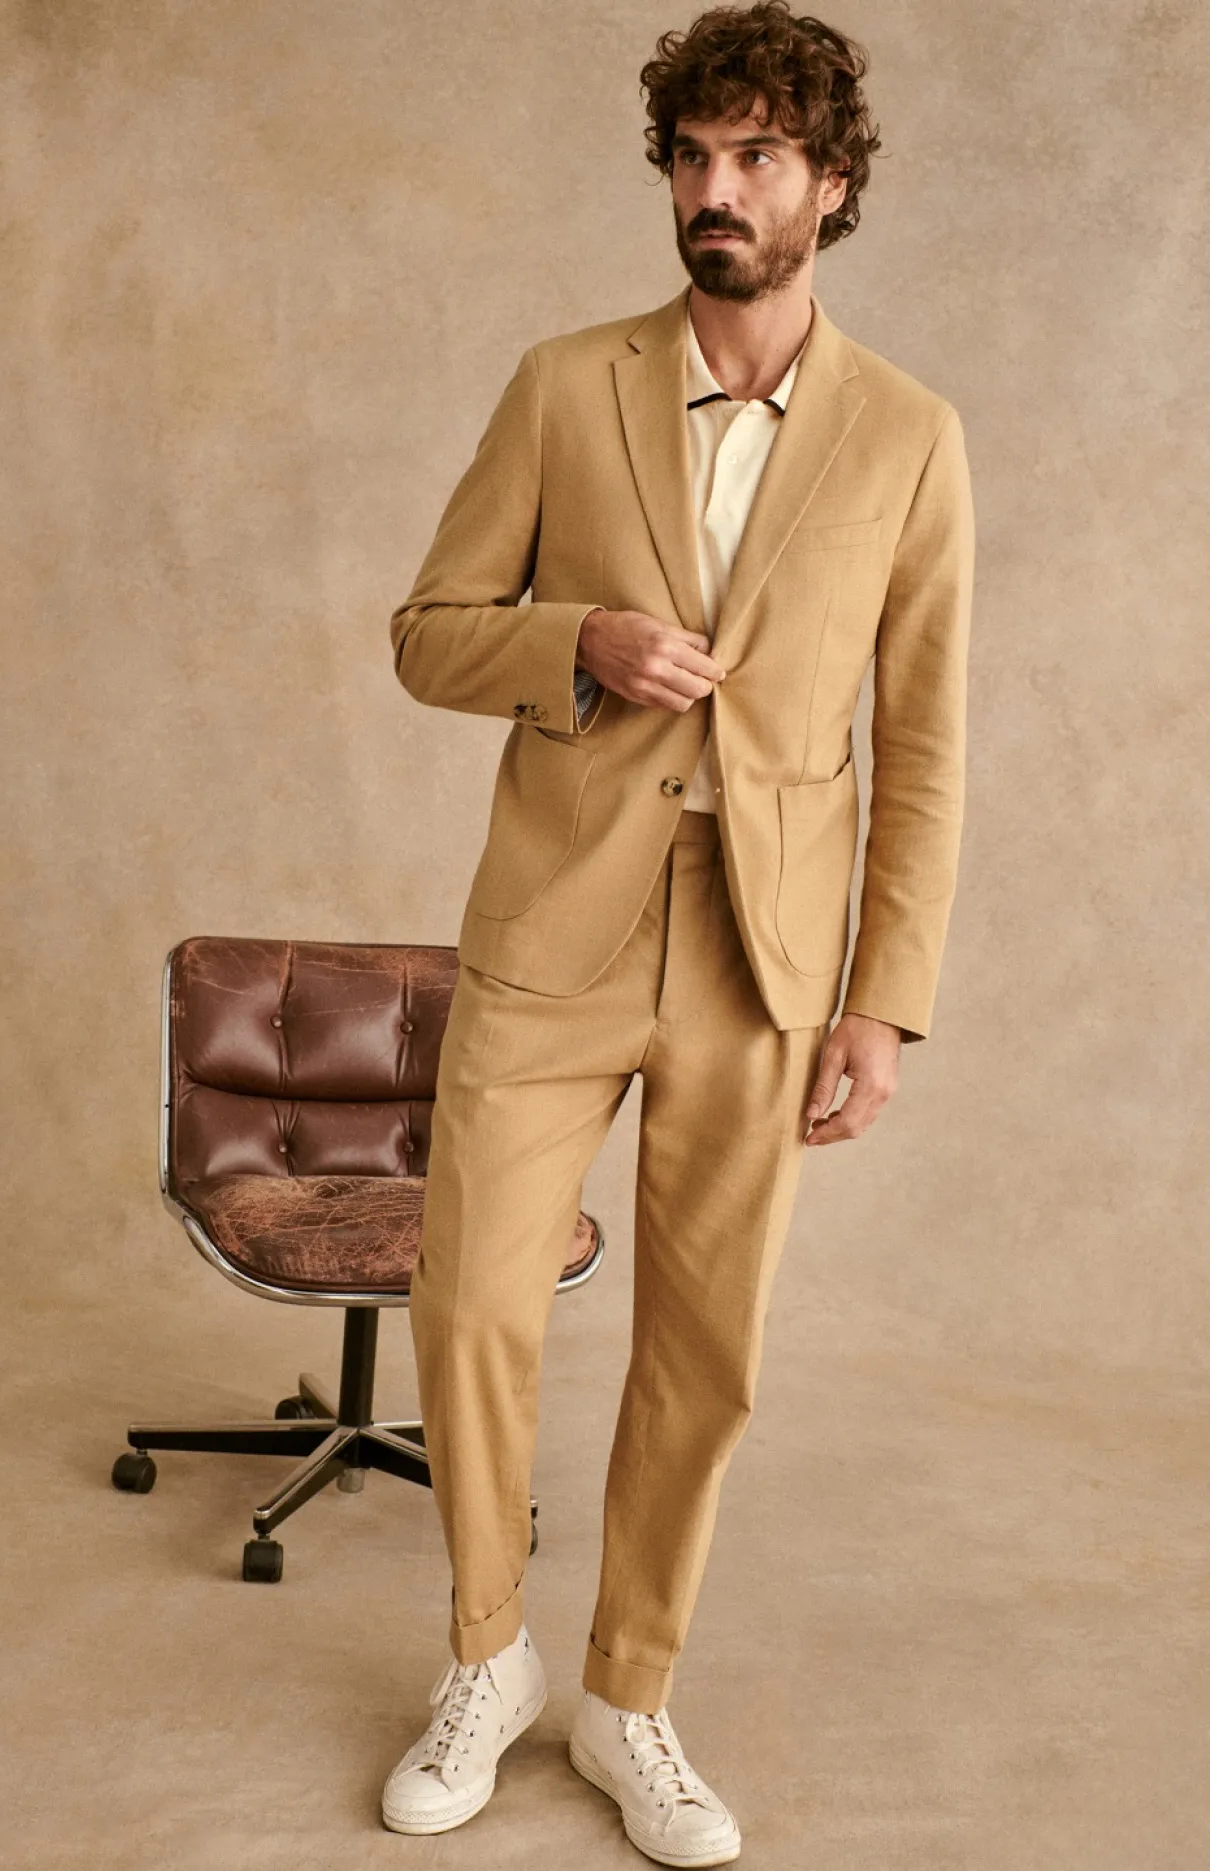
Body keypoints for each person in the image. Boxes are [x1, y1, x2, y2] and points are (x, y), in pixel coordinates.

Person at [381, 2, 974, 1861]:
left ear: (831, 185)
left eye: (757, 158)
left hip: (760, 960)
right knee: (472, 1299)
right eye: (693, 157)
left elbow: (923, 742)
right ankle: (487, 1658)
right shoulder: (564, 385)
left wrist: (883, 1001)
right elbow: (424, 631)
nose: (716, 191)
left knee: (704, 1349)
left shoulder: (909, 435)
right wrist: (575, 639)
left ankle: (628, 1690)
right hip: (550, 930)